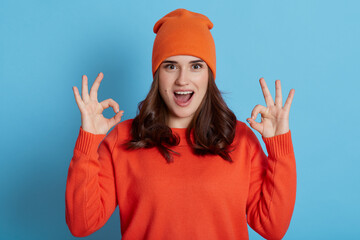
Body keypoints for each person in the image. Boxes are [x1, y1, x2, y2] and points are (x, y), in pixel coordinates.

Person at [66, 8, 296, 240]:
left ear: (209, 74)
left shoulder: (241, 139)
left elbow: (272, 228)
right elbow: (82, 224)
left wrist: (280, 148)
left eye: (196, 66)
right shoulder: (123, 139)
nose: (182, 79)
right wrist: (88, 142)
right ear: (157, 74)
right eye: (171, 66)